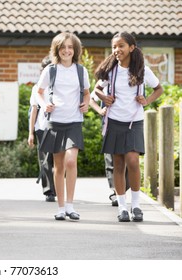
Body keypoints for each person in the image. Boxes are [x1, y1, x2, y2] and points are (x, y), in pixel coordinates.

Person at [94, 32, 163, 222]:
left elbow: (159, 89)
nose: (117, 50)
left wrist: (146, 100)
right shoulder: (111, 71)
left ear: (132, 47)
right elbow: (96, 91)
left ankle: (136, 205)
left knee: (132, 161)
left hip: (134, 121)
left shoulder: (142, 70)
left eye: (121, 46)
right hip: (115, 121)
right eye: (114, 47)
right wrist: (103, 99)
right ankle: (122, 207)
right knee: (118, 164)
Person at [36, 32, 90, 221]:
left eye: (70, 47)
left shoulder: (81, 71)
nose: (66, 50)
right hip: (55, 122)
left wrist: (86, 103)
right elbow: (39, 92)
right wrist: (44, 105)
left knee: (70, 161)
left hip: (74, 122)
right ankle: (60, 208)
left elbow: (86, 93)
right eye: (63, 47)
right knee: (58, 166)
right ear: (57, 50)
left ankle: (70, 206)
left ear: (75, 50)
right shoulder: (50, 70)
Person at [89, 92, 130, 207]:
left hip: (129, 124)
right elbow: (91, 99)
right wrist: (100, 110)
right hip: (109, 125)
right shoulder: (105, 80)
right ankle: (116, 192)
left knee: (128, 159)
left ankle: (122, 190)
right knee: (111, 159)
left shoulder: (131, 77)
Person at [28, 55, 56, 202]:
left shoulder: (60, 86)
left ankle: (57, 188)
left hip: (58, 126)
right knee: (45, 160)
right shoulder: (37, 88)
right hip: (42, 128)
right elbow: (34, 110)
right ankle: (48, 191)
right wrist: (31, 132)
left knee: (57, 159)